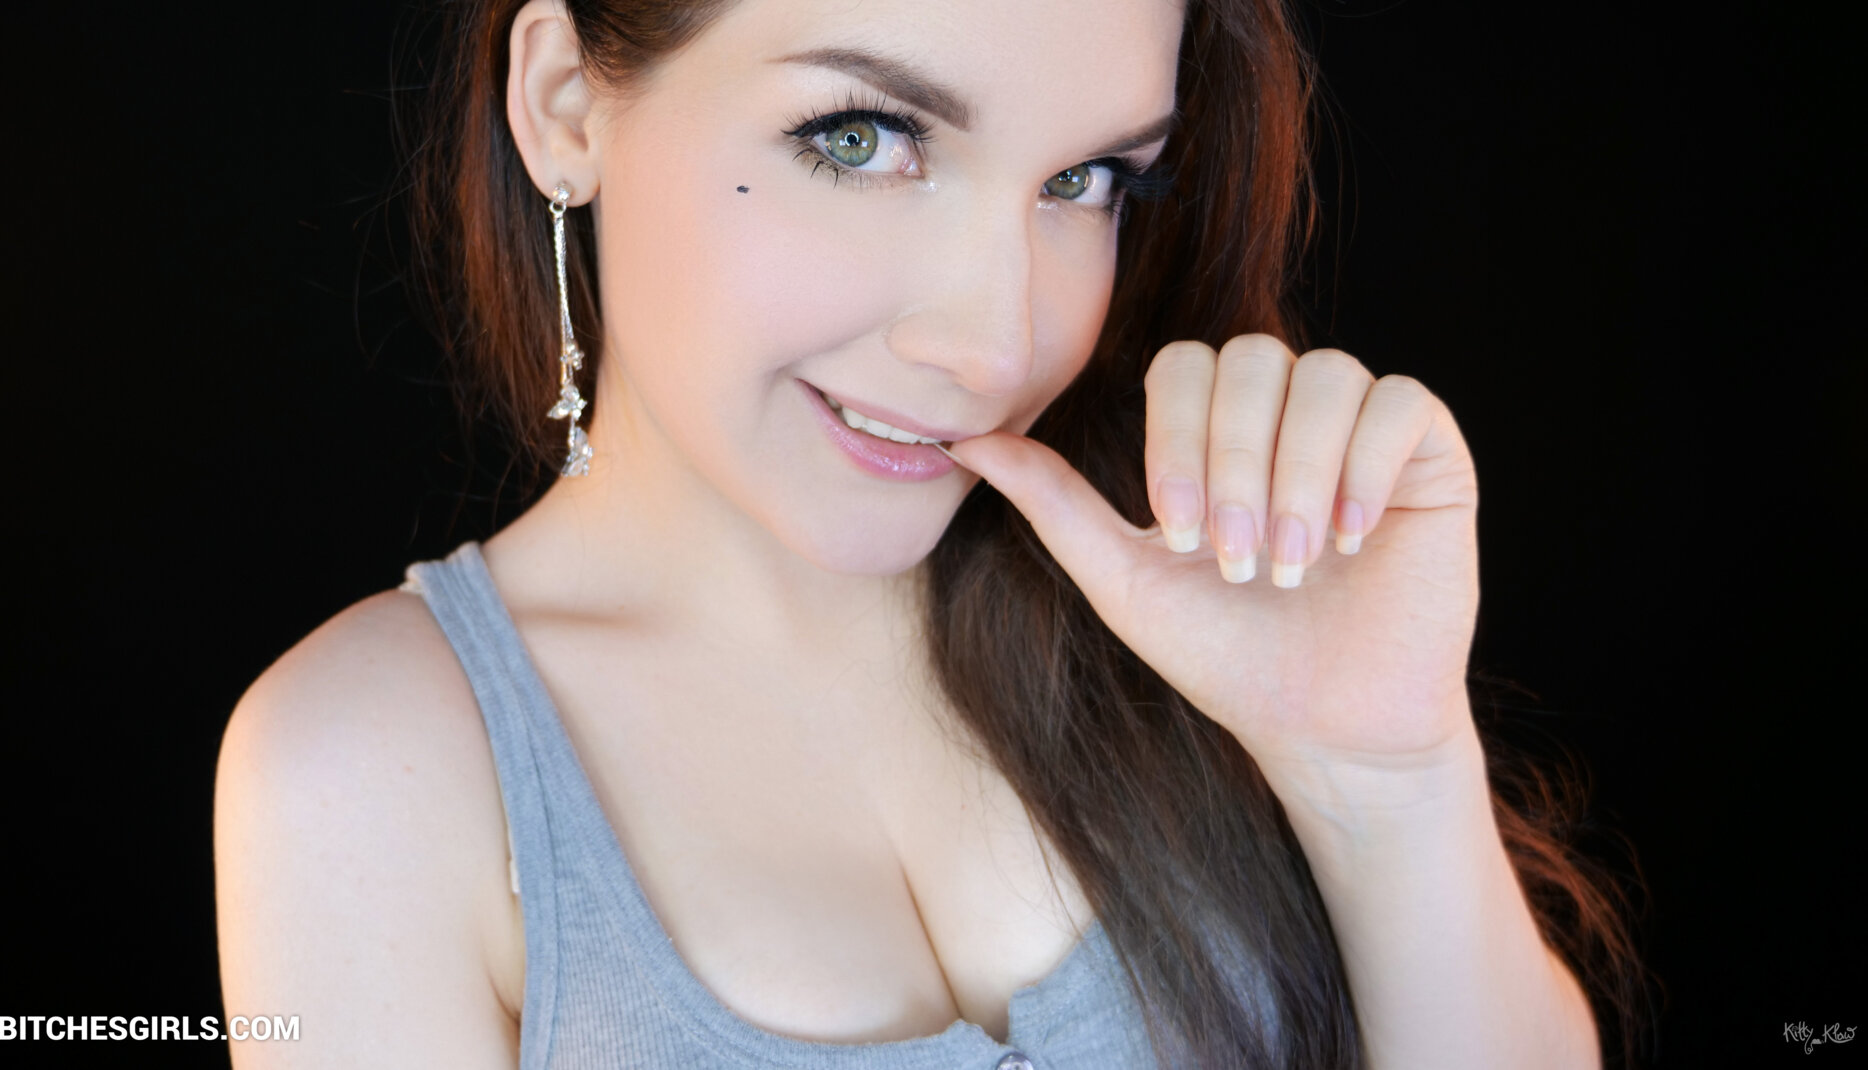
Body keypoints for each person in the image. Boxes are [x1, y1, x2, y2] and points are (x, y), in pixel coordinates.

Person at [214, 0, 1639, 1066]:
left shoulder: (1193, 583)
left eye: (1087, 180)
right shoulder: (375, 772)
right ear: (567, 103)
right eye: (862, 139)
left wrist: (1385, 779)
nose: (999, 342)